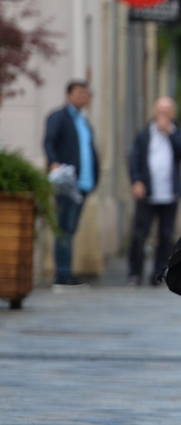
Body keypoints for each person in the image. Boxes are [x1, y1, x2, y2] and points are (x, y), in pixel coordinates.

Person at [127, 97, 181, 285]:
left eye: (167, 110)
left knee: (165, 235)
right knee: (140, 234)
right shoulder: (144, 134)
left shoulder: (177, 133)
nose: (163, 113)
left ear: (173, 114)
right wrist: (136, 181)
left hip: (169, 193)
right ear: (154, 112)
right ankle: (134, 272)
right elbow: (134, 159)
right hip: (147, 193)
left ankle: (158, 273)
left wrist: (169, 133)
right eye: (160, 110)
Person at [43, 80, 101, 286]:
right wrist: (54, 163)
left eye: (86, 94)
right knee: (63, 227)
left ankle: (67, 270)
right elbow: (49, 141)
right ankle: (63, 273)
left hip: (82, 184)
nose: (83, 97)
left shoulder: (84, 122)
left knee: (71, 228)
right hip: (66, 183)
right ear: (68, 95)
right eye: (79, 93)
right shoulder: (58, 117)